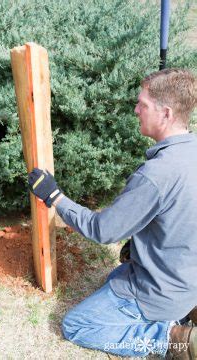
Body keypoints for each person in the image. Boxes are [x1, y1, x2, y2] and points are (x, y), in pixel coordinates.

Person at [28, 69, 197, 359]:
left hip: (159, 293)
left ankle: (171, 338)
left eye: (142, 104)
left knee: (77, 325)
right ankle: (185, 308)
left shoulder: (157, 174)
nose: (136, 109)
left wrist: (55, 197)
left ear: (166, 113)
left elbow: (103, 230)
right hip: (187, 279)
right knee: (114, 277)